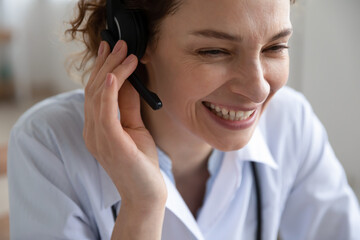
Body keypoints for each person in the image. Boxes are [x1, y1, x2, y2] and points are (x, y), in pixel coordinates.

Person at [7, 0, 360, 239]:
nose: (257, 89)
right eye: (215, 51)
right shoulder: (48, 145)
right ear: (133, 40)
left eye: (274, 48)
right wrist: (141, 208)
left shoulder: (291, 123)